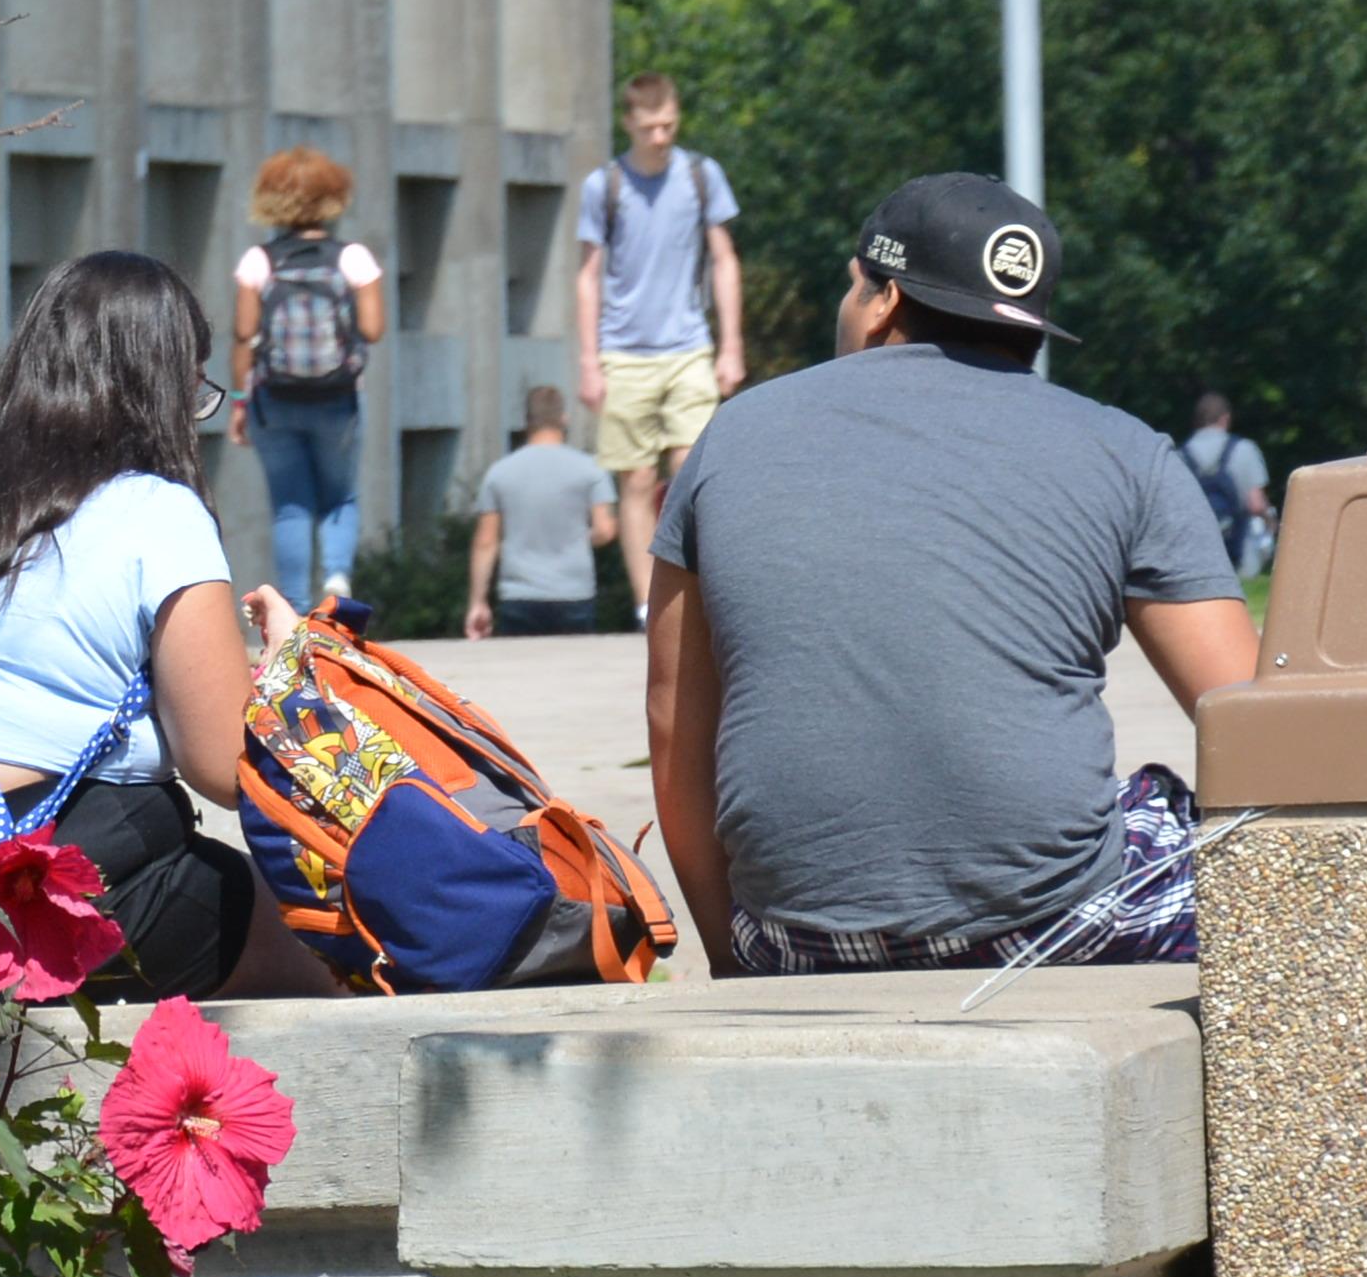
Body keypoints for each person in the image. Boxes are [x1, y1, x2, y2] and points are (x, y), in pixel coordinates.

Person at [649, 174, 1261, 976]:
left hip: (798, 937)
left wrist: (737, 964)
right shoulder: (1126, 451)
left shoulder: (730, 437)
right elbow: (1255, 722)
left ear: (883, 301)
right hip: (1057, 927)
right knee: (1174, 813)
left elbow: (673, 729)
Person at [0, 250, 331, 1004]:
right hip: (50, 889)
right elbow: (222, 767)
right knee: (327, 964)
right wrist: (283, 668)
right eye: (194, 391)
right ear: (161, 386)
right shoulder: (156, 514)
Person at [572, 72, 744, 617]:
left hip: (688, 344)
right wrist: (588, 362)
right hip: (624, 352)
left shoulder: (700, 175)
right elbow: (587, 277)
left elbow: (724, 260)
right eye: (650, 127)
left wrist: (730, 345)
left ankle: (697, 590)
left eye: (669, 124)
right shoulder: (605, 185)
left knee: (693, 469)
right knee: (638, 479)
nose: (661, 135)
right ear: (628, 123)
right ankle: (649, 603)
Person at [231, 144, 387, 617]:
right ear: (334, 197)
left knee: (290, 504)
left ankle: (295, 607)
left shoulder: (258, 261)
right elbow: (373, 330)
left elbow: (243, 335)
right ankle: (337, 577)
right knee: (340, 496)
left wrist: (240, 402)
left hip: (273, 399)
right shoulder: (352, 257)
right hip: (338, 397)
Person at [464, 383, 618, 637]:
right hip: (574, 593)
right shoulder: (591, 469)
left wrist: (478, 602)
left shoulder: (500, 472)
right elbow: (605, 530)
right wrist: (578, 539)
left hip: (519, 595)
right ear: (563, 419)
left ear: (527, 421)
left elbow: (485, 542)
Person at [1174, 390, 1274, 578]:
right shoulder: (1244, 450)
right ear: (1225, 418)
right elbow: (1256, 504)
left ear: (1197, 421)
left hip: (1195, 552)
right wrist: (1272, 524)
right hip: (1238, 544)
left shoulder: (1179, 456)